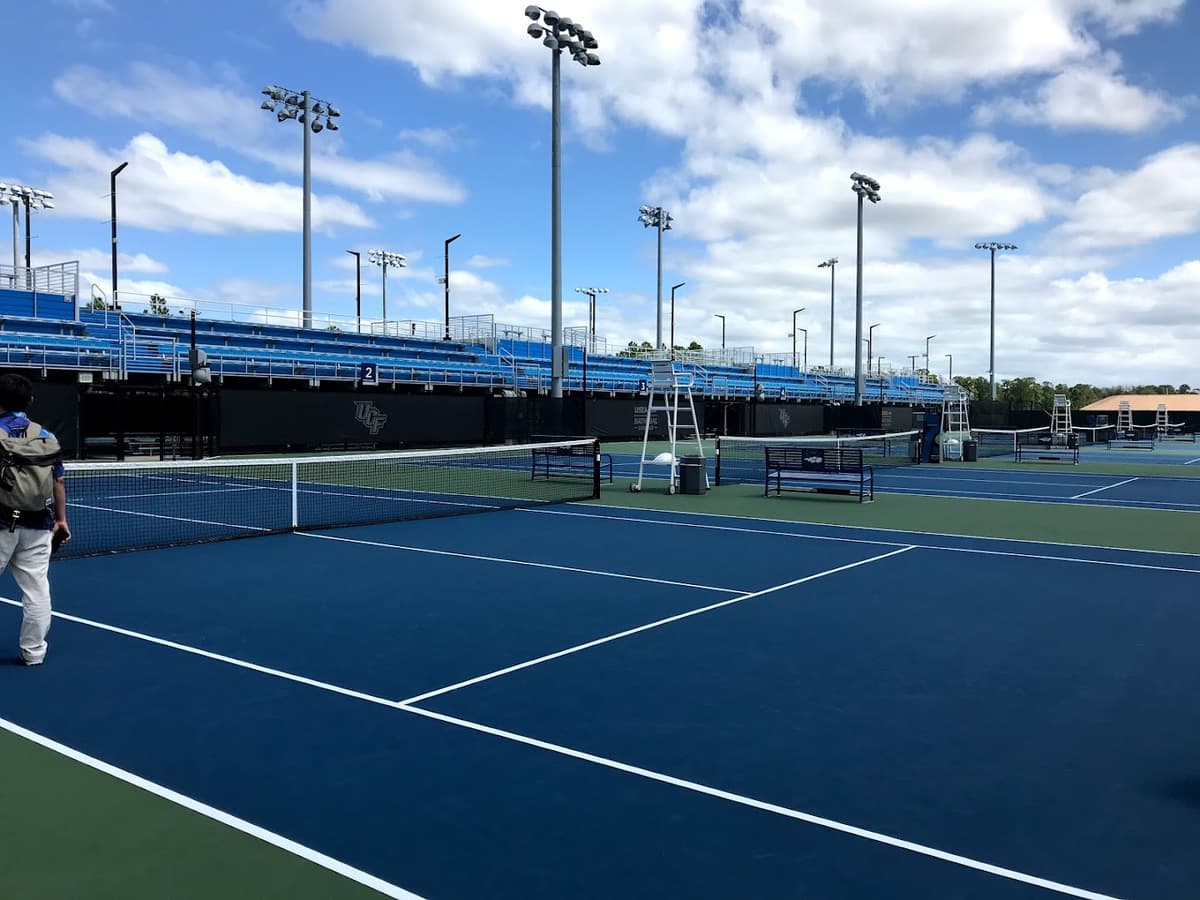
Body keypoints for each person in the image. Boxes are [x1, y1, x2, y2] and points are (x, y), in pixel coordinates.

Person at [0, 373, 68, 665]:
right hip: (39, 523)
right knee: (37, 590)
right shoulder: (46, 436)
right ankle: (34, 652)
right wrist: (61, 520)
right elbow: (58, 482)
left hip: (1, 522)